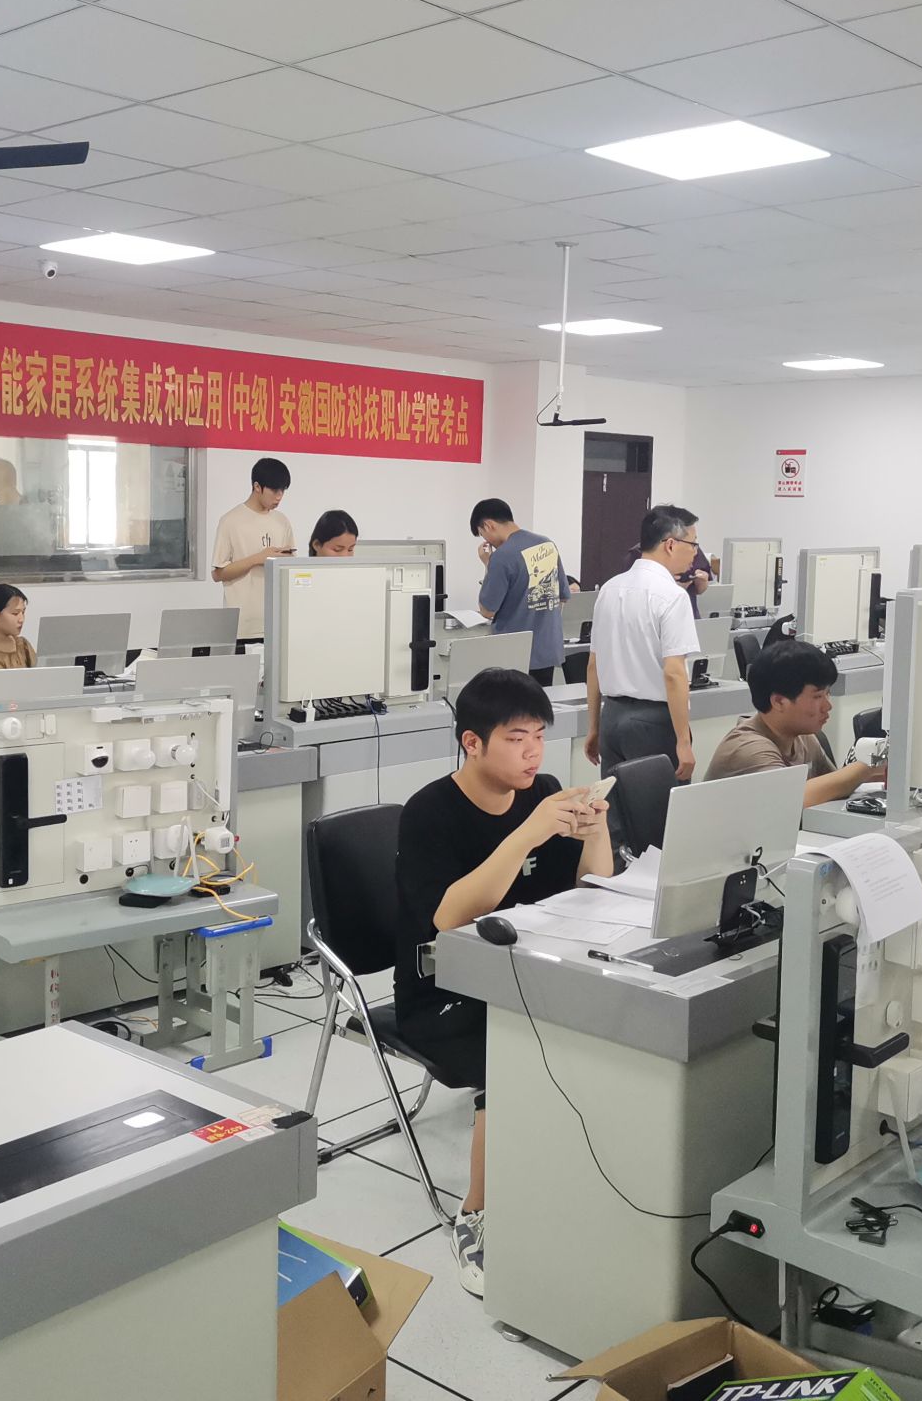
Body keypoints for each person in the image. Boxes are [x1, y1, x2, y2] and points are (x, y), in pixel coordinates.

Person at [394, 669, 612, 1298]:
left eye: (539, 736)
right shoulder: (430, 813)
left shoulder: (542, 793)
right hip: (443, 994)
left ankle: (567, 1180)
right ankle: (477, 1214)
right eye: (517, 739)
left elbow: (594, 890)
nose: (533, 753)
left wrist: (596, 829)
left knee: (611, 1029)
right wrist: (528, 833)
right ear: (472, 742)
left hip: (527, 975)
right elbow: (449, 918)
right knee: (517, 1053)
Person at [585, 505, 704, 779]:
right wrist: (683, 741)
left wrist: (594, 728)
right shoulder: (672, 596)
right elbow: (674, 673)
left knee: (616, 803)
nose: (695, 553)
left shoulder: (609, 589)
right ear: (671, 544)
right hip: (653, 722)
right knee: (661, 804)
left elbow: (594, 665)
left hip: (611, 717)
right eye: (693, 544)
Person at [705, 640, 886, 805]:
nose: (828, 706)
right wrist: (866, 767)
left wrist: (878, 770)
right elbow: (790, 799)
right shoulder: (749, 747)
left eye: (828, 694)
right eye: (817, 696)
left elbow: (836, 786)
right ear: (779, 702)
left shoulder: (803, 738)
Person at [471, 498, 569, 685]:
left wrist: (488, 564)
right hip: (547, 648)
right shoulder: (546, 544)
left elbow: (487, 610)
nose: (487, 542)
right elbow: (562, 596)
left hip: (514, 653)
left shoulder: (502, 556)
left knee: (513, 702)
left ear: (489, 525)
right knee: (539, 700)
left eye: (483, 535)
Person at [210, 457, 294, 641]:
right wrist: (258, 558)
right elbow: (218, 573)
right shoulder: (230, 521)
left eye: (283, 490)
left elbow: (291, 570)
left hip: (277, 622)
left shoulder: (282, 521)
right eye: (274, 490)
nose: (279, 496)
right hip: (243, 626)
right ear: (257, 486)